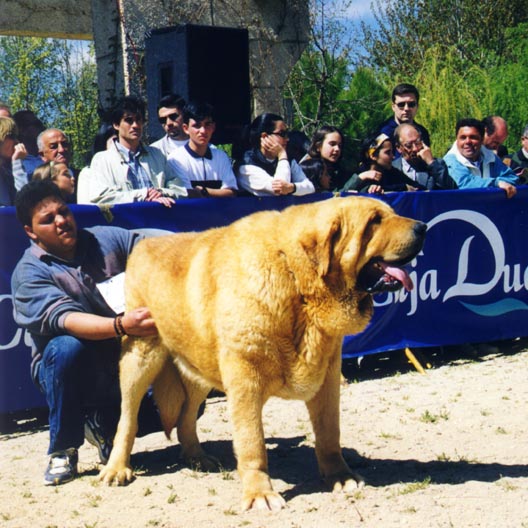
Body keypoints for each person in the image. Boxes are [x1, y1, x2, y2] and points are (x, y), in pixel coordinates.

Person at [11, 179, 162, 486]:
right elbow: (68, 320)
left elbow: (156, 251)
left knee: (188, 400)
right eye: (48, 219)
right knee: (65, 348)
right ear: (30, 231)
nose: (61, 221)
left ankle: (104, 427)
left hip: (125, 362)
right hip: (76, 370)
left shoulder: (105, 238)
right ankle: (64, 449)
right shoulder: (28, 273)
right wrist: (121, 325)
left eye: (63, 211)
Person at [80, 96, 187, 206]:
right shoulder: (102, 159)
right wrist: (142, 195)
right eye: (129, 120)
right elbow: (100, 197)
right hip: (123, 222)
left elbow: (181, 190)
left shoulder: (157, 155)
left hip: (159, 221)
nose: (135, 125)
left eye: (138, 120)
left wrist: (159, 193)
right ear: (116, 125)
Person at [167, 101, 238, 198]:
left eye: (207, 124)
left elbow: (231, 193)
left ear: (213, 127)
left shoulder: (221, 156)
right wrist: (218, 193)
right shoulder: (176, 159)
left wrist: (204, 191)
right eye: (197, 126)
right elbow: (186, 194)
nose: (203, 131)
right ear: (186, 128)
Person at [235, 112, 315, 197]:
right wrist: (282, 156)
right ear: (265, 136)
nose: (287, 139)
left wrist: (292, 188)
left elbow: (310, 187)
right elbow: (278, 191)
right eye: (282, 134)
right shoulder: (246, 166)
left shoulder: (289, 159)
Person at [443, 118, 518, 198]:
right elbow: (465, 184)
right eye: (463, 137)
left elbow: (512, 178)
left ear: (482, 139)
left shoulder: (490, 157)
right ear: (457, 139)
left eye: (473, 137)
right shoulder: (450, 160)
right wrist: (497, 183)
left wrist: (501, 182)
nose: (467, 142)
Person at [342, 133, 425, 194]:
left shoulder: (392, 173)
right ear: (373, 156)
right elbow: (342, 194)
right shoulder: (357, 174)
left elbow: (419, 188)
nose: (393, 157)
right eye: (388, 153)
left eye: (392, 152)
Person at [393, 123, 456, 190]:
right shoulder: (393, 168)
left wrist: (431, 162)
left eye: (418, 143)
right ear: (398, 148)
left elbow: (452, 189)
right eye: (409, 145)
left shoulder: (436, 165)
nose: (415, 149)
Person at [377, 83, 431, 160]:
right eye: (401, 104)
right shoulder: (383, 132)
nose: (406, 108)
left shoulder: (422, 132)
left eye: (411, 104)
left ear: (417, 106)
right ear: (393, 107)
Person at [300, 125, 350, 192]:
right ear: (318, 146)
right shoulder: (307, 169)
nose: (337, 149)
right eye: (332, 144)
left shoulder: (339, 171)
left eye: (340, 146)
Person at [12, 110, 46, 190]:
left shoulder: (48, 157)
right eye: (37, 124)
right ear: (22, 130)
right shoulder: (14, 162)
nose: (42, 128)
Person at [0, 116, 24, 206]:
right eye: (11, 136)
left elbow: (24, 204)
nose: (17, 141)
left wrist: (17, 163)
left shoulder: (7, 173)